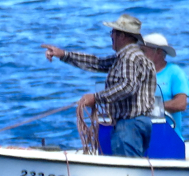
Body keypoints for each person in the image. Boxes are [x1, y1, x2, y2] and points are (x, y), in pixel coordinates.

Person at [42, 14, 156, 157]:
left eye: (113, 32)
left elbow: (128, 86)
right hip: (139, 124)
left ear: (122, 36)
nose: (111, 36)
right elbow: (97, 63)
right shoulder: (133, 57)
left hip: (129, 125)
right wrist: (64, 54)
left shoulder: (129, 58)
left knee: (127, 173)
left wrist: (97, 98)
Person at [140, 33, 189, 134]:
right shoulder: (137, 73)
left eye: (143, 51)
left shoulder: (175, 73)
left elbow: (181, 104)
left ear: (159, 52)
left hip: (168, 135)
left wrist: (151, 107)